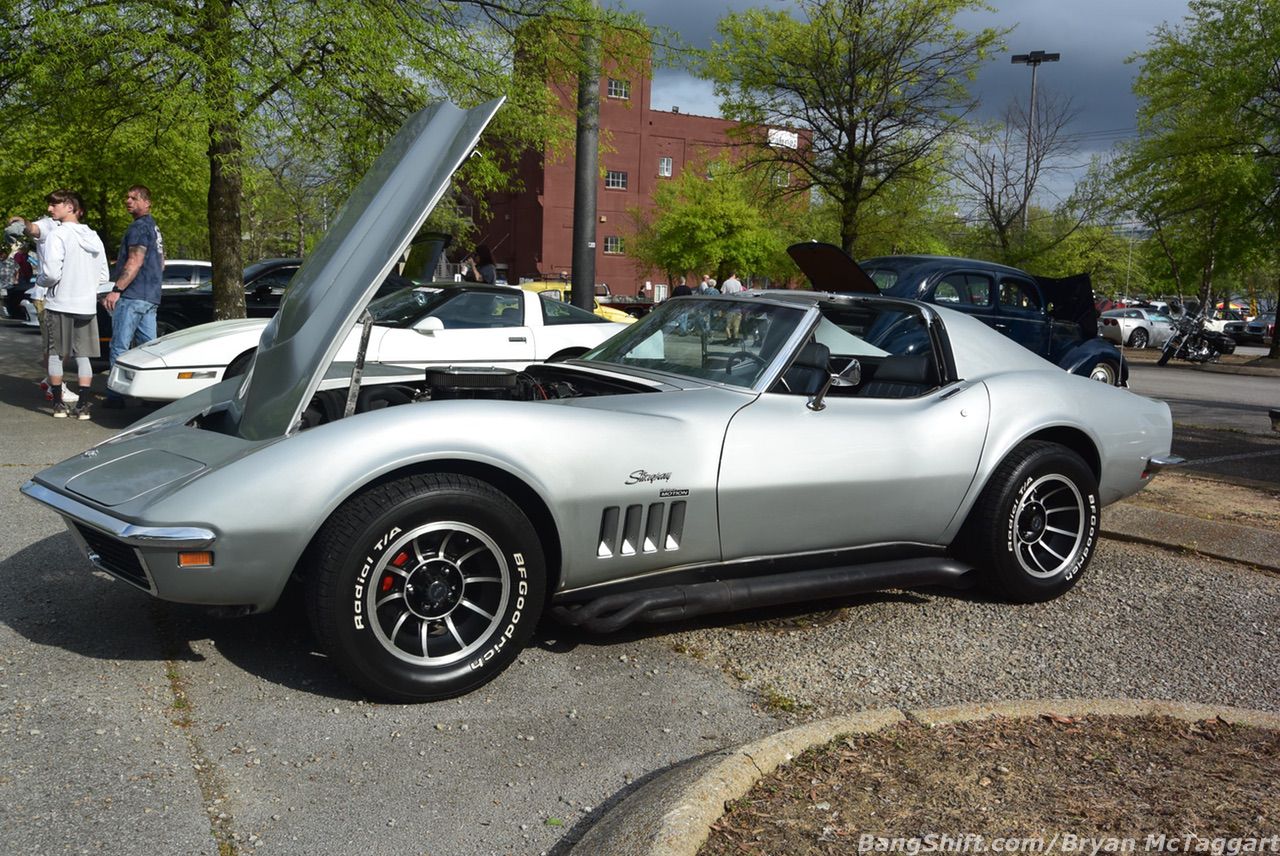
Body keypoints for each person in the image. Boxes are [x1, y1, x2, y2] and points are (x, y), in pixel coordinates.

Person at [38, 190, 109, 419]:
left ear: (69, 206)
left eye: (54, 204)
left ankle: (58, 405)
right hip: (86, 305)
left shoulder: (57, 235)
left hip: (60, 303)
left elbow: (50, 273)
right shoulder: (94, 237)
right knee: (84, 356)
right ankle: (83, 406)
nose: (50, 209)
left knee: (55, 355)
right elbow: (103, 276)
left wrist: (42, 282)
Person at [101, 185, 164, 408]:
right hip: (151, 296)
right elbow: (161, 263)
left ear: (147, 203)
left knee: (120, 346)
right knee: (149, 348)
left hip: (133, 295)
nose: (128, 201)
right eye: (127, 197)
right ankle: (151, 395)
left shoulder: (138, 228)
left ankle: (116, 396)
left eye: (134, 198)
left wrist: (116, 289)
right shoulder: (154, 228)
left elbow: (135, 261)